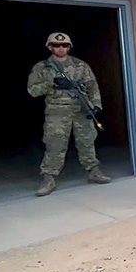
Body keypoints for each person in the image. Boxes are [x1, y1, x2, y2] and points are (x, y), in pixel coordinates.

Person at [27, 32, 111, 196]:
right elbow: (32, 90)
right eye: (57, 45)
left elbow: (92, 86)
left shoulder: (81, 66)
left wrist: (96, 105)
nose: (61, 48)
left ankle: (94, 171)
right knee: (55, 144)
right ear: (50, 47)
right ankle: (49, 178)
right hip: (57, 112)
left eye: (64, 45)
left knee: (87, 141)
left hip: (80, 109)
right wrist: (51, 83)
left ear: (69, 47)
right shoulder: (42, 67)